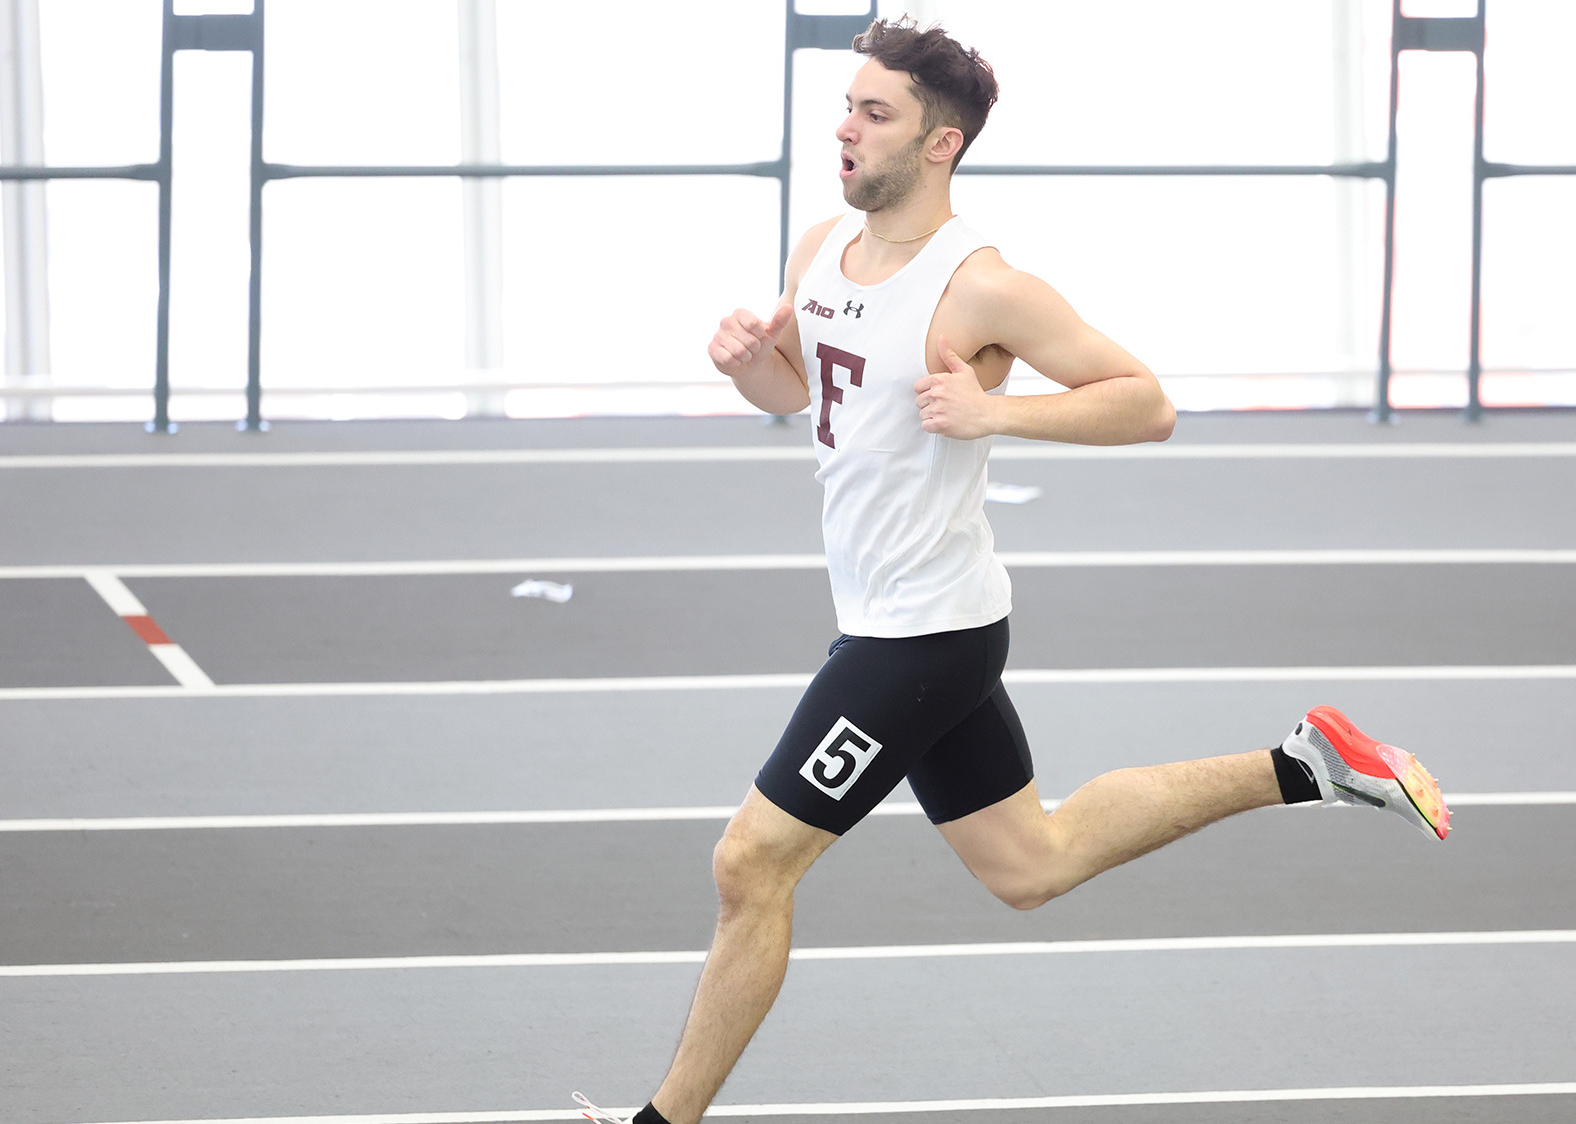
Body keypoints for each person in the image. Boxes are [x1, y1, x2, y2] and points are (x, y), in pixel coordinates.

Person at [576, 18, 1449, 1124]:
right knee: (1029, 862)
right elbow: (797, 393)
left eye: (873, 113)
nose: (844, 128)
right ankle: (1306, 762)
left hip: (921, 635)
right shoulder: (817, 252)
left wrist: (998, 409)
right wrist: (750, 364)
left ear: (938, 145)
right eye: (846, 105)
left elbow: (1146, 401)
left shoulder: (982, 286)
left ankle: (660, 1123)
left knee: (750, 864)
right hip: (904, 616)